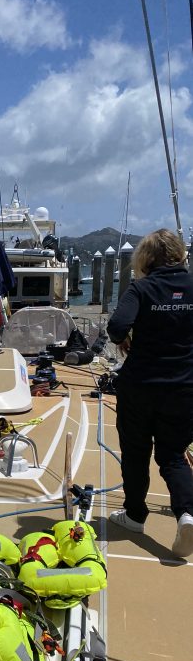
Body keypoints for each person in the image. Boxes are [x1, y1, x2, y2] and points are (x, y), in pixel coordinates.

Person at [106, 228, 193, 558]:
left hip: (140, 386)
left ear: (147, 258)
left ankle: (135, 515)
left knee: (136, 451)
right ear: (180, 254)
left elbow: (116, 327)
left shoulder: (141, 289)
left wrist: (124, 340)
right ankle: (187, 514)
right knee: (172, 456)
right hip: (184, 388)